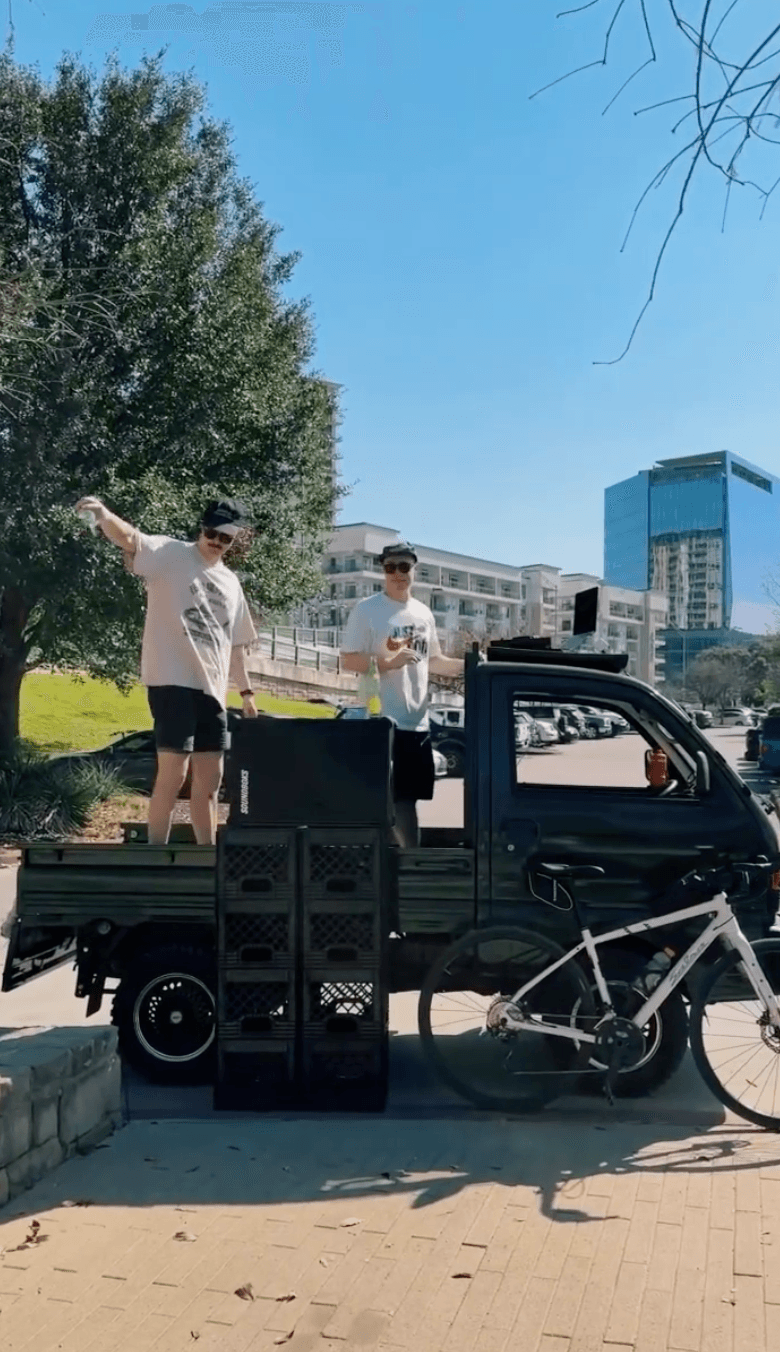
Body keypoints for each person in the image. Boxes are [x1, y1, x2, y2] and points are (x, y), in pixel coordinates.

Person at [74, 494, 258, 845]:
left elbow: (236, 645)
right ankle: (156, 853)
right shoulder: (172, 554)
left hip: (212, 693)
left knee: (210, 782)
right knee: (173, 776)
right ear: (201, 529)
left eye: (225, 538)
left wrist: (246, 692)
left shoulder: (231, 583)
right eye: (212, 533)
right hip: (172, 681)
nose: (216, 542)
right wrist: (103, 515)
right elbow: (130, 539)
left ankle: (207, 856)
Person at [341, 541, 464, 846]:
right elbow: (348, 660)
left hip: (417, 724)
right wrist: (388, 663)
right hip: (380, 721)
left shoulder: (423, 614)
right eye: (390, 567)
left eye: (404, 566)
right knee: (386, 801)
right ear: (383, 571)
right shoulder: (367, 610)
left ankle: (407, 863)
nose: (397, 573)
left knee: (408, 801)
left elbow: (434, 661)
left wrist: (471, 665)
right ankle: (395, 862)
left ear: (414, 569)